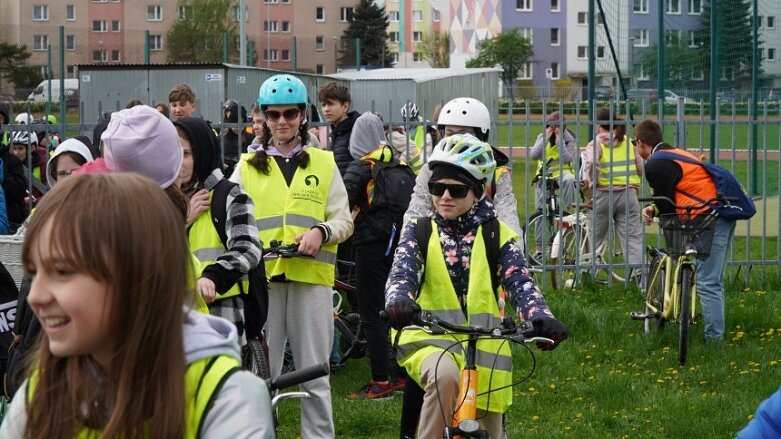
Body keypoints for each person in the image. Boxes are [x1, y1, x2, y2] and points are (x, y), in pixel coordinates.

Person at [0, 172, 272, 437]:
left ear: (136, 275)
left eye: (62, 272)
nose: (35, 297)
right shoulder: (37, 395)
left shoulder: (227, 398)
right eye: (33, 274)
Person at [385, 134, 568, 438]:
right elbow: (402, 273)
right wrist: (399, 299)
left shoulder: (498, 235)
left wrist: (540, 316)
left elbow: (520, 280)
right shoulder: (419, 233)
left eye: (456, 190)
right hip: (430, 339)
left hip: (485, 347)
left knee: (491, 430)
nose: (444, 196)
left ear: (479, 191)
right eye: (436, 188)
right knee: (445, 377)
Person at [231, 73, 353, 438]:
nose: (282, 121)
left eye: (290, 113)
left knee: (315, 373)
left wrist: (321, 232)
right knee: (258, 376)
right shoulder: (246, 167)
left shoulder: (324, 163)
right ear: (264, 118)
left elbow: (344, 220)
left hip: (310, 283)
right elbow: (229, 219)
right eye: (273, 114)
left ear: (303, 115)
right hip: (262, 282)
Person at [634, 118, 736, 341]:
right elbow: (677, 195)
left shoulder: (654, 163)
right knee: (712, 280)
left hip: (708, 217)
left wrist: (654, 208)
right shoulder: (678, 153)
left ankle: (714, 341)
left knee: (708, 281)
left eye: (635, 143)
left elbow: (667, 203)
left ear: (641, 142)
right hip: (717, 213)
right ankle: (711, 332)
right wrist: (655, 207)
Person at [175, 116, 262, 346]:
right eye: (172, 153)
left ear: (202, 154)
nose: (176, 162)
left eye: (185, 154)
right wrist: (182, 221)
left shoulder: (229, 194)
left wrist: (213, 276)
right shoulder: (164, 196)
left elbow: (248, 246)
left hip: (221, 311)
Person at [342, 112, 411, 399]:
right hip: (400, 242)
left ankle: (381, 381)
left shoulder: (363, 165)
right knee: (398, 310)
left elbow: (339, 203)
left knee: (372, 313)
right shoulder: (399, 162)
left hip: (371, 245)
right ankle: (405, 374)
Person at [402, 97, 523, 243]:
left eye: (464, 133)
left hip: (483, 253)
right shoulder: (429, 171)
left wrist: (514, 257)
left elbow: (510, 222)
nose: (456, 139)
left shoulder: (497, 174)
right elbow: (414, 215)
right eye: (450, 133)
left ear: (481, 135)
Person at [583, 108, 643, 282]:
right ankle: (641, 279)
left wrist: (593, 181)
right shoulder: (629, 142)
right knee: (632, 239)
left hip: (603, 195)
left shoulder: (596, 144)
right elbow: (640, 167)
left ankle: (586, 274)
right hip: (628, 195)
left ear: (599, 125)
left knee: (594, 237)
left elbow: (592, 162)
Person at [528, 110, 578, 260]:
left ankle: (569, 209)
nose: (553, 129)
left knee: (570, 179)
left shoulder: (569, 139)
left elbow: (567, 158)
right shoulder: (542, 136)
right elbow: (533, 155)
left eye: (557, 127)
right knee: (540, 212)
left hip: (562, 175)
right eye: (550, 126)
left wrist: (559, 141)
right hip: (544, 176)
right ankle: (539, 249)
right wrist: (546, 138)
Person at [317, 82, 361, 176]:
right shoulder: (336, 133)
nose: (326, 109)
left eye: (331, 104)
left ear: (345, 107)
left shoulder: (357, 131)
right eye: (323, 105)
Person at [221, 99, 253, 172]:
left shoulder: (251, 139)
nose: (237, 127)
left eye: (240, 122)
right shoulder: (220, 140)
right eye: (234, 122)